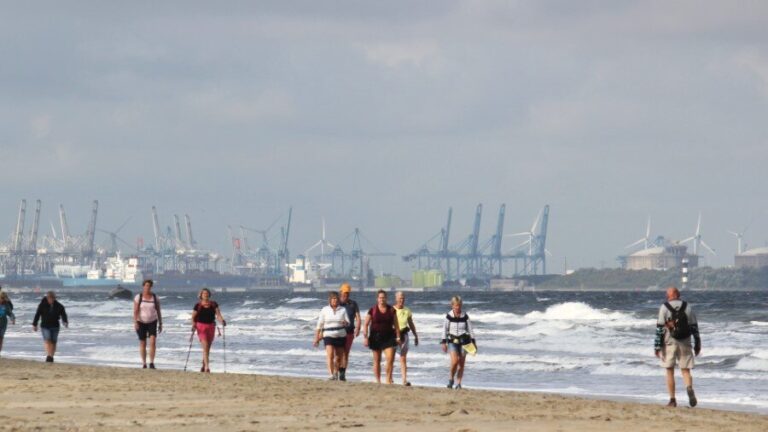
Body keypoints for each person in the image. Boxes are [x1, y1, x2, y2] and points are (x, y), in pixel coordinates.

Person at [655, 286, 701, 408]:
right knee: (685, 370)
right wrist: (697, 344)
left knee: (669, 370)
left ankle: (672, 400)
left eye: (667, 294)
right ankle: (689, 387)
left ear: (670, 295)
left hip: (669, 342)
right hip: (685, 341)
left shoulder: (664, 307)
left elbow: (660, 328)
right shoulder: (687, 307)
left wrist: (657, 346)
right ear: (678, 295)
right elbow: (694, 327)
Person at [363, 290, 401, 384]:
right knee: (377, 360)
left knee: (390, 358)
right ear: (377, 299)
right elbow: (366, 324)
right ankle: (378, 380)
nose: (382, 299)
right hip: (375, 337)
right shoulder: (372, 310)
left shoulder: (391, 310)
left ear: (386, 298)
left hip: (389, 337)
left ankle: (388, 379)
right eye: (380, 298)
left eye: (383, 297)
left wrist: (398, 337)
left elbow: (396, 325)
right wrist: (365, 337)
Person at [441, 295, 476, 390]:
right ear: (452, 305)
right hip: (452, 341)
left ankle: (459, 383)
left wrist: (473, 342)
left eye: (459, 305)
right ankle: (451, 378)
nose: (458, 307)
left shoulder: (465, 316)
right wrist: (443, 342)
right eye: (456, 305)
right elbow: (444, 329)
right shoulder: (449, 316)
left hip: (464, 341)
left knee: (461, 363)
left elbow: (470, 329)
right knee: (455, 361)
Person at [314, 291, 350, 380]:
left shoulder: (343, 310)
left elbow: (348, 322)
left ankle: (335, 372)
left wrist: (345, 323)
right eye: (333, 299)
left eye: (336, 299)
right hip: (328, 335)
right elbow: (319, 325)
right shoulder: (325, 310)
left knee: (338, 358)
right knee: (330, 355)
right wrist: (316, 338)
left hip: (340, 335)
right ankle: (331, 374)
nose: (335, 300)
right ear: (330, 300)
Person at [191, 288, 226, 373]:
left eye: (207, 293)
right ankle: (207, 367)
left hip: (211, 327)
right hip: (201, 327)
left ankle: (203, 365)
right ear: (201, 295)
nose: (205, 295)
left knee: (207, 348)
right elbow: (193, 317)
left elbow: (218, 315)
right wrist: (193, 324)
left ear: (209, 295)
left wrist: (222, 321)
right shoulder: (198, 305)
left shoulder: (214, 304)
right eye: (204, 293)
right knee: (205, 346)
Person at [133, 279, 163, 369]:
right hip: (141, 322)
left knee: (153, 341)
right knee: (143, 342)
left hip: (152, 321)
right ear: (143, 286)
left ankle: (152, 362)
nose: (147, 287)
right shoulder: (139, 297)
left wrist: (161, 323)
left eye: (149, 286)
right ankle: (144, 363)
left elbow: (158, 310)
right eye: (146, 285)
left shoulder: (155, 297)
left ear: (151, 287)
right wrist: (135, 322)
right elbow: (135, 311)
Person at [32, 291, 68, 363]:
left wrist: (65, 321)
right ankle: (48, 356)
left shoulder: (59, 306)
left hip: (55, 326)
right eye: (50, 298)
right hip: (45, 326)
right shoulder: (42, 305)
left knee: (54, 342)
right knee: (48, 339)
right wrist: (34, 324)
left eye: (53, 298)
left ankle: (51, 356)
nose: (51, 300)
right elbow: (37, 315)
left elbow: (63, 314)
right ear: (47, 298)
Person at [393, 291, 419, 386]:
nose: (401, 300)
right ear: (396, 299)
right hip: (393, 335)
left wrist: (415, 335)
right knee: (390, 357)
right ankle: (390, 378)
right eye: (400, 298)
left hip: (404, 335)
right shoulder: (392, 310)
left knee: (403, 358)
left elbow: (411, 323)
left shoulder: (407, 310)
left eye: (403, 298)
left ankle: (404, 380)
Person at [338, 283, 361, 381]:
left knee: (346, 353)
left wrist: (358, 327)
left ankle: (342, 373)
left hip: (349, 332)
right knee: (338, 354)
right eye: (344, 293)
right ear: (341, 292)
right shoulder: (337, 303)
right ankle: (337, 371)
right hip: (338, 332)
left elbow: (358, 317)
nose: (345, 295)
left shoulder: (353, 304)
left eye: (347, 293)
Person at [0, 291, 16, 356]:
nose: (2, 300)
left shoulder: (6, 305)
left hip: (3, 324)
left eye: (4, 298)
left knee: (1, 338)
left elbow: (10, 313)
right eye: (2, 298)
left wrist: (13, 319)